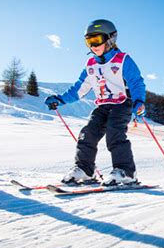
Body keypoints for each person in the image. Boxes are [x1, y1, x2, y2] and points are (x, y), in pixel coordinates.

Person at [45, 19, 146, 185]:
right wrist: (60, 99)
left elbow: (136, 82)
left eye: (96, 40)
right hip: (102, 105)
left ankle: (126, 171)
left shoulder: (123, 60)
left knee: (115, 133)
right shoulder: (91, 64)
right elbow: (79, 89)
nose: (93, 46)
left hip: (122, 103)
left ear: (110, 39)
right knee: (87, 134)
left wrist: (139, 101)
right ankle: (85, 169)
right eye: (89, 41)